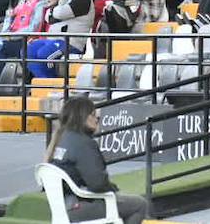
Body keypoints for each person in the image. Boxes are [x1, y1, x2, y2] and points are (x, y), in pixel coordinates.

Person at [45, 96, 151, 224]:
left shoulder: (61, 138)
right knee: (139, 204)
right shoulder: (84, 144)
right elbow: (98, 184)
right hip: (78, 207)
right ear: (83, 117)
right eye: (94, 115)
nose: (97, 119)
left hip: (60, 207)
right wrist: (112, 190)